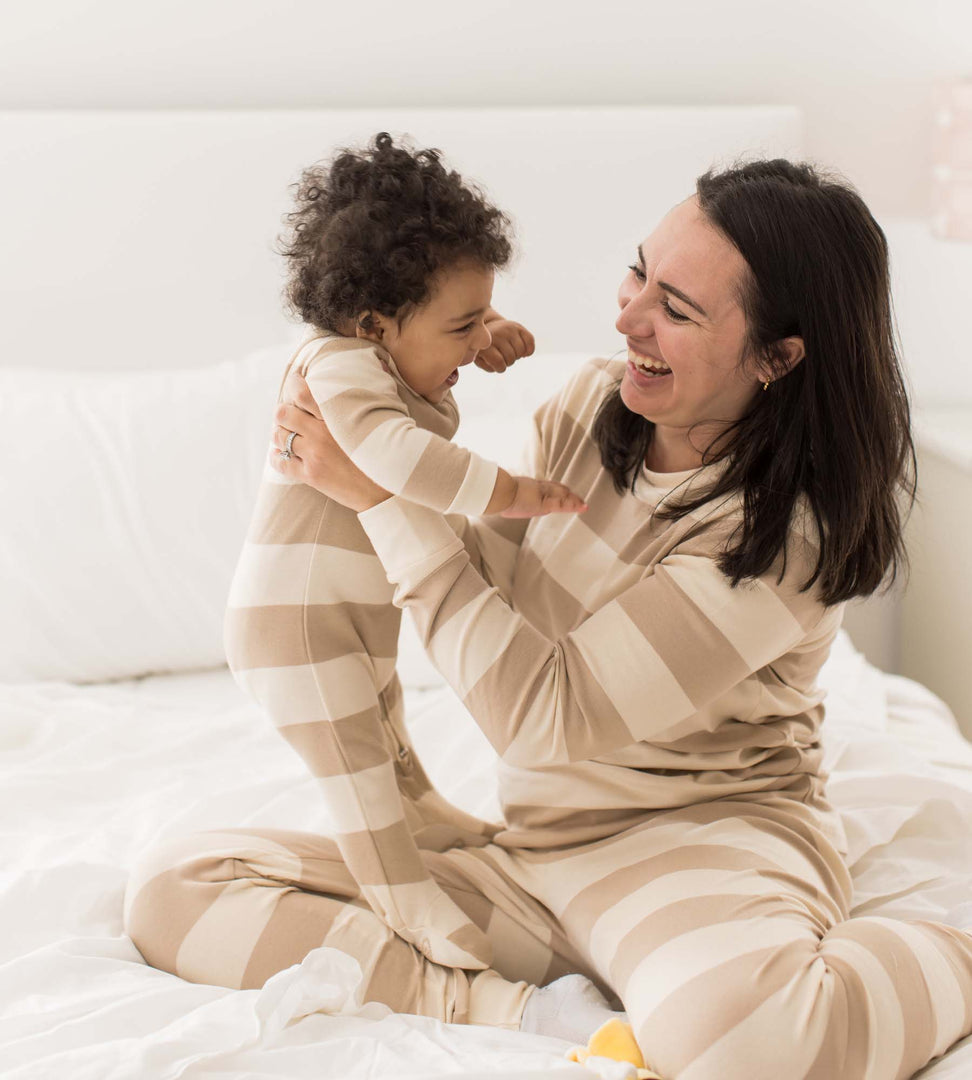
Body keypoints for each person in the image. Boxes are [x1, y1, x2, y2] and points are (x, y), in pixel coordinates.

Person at [125, 158, 972, 1080]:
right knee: (178, 890)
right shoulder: (589, 407)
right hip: (534, 856)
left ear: (779, 356)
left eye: (677, 310)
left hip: (698, 844)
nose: (626, 316)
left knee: (746, 1048)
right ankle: (519, 1008)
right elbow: (491, 579)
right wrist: (359, 456)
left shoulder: (783, 533)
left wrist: (382, 500)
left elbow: (542, 715)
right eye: (638, 272)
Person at [222, 133, 587, 974]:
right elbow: (394, 459)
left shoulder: (383, 357)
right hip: (294, 630)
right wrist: (514, 492)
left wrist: (481, 334)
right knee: (354, 763)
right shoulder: (336, 364)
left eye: (481, 315)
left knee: (389, 732)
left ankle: (421, 809)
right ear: (374, 324)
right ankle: (399, 893)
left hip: (343, 616)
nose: (475, 341)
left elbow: (421, 380)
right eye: (463, 324)